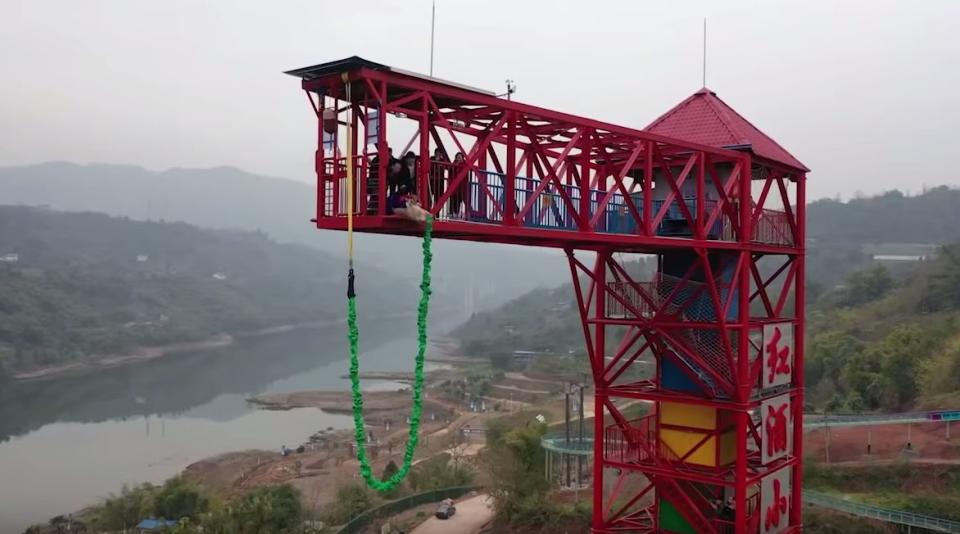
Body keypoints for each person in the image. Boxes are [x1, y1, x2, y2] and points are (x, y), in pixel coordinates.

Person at [449, 152, 469, 218]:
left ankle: (456, 213)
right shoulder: (453, 164)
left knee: (459, 200)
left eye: (460, 157)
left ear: (462, 158)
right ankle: (452, 213)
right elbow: (451, 172)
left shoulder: (464, 165)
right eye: (457, 157)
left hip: (461, 187)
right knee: (453, 199)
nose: (459, 159)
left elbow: (465, 175)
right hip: (454, 187)